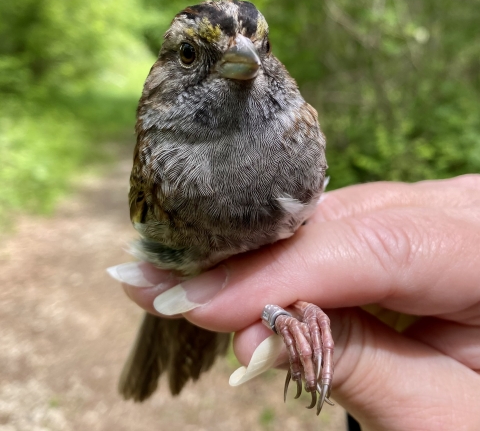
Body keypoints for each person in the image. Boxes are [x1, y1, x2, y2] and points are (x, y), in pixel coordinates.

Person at [112, 175, 480, 429]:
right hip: (190, 276)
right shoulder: (169, 154)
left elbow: (292, 250)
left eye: (266, 53)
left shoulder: (295, 132)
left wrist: (301, 308)